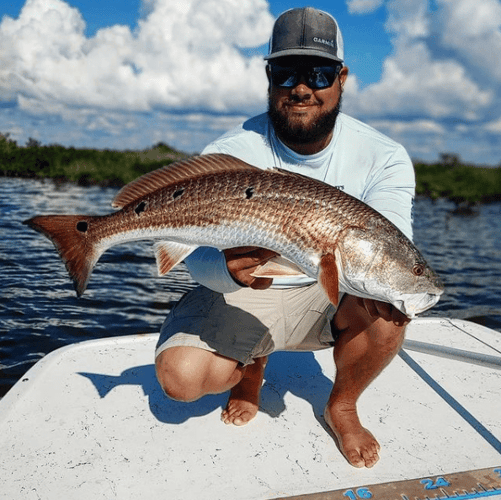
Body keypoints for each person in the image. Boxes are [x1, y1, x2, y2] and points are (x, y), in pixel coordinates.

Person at [155, 7, 415, 469]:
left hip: (335, 291)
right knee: (182, 379)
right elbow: (194, 258)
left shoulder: (386, 157)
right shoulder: (232, 152)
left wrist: (398, 284)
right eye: (285, 72)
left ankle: (343, 405)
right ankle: (252, 366)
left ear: (342, 77)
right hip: (252, 292)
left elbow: (394, 243)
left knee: (393, 303)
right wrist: (228, 269)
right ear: (268, 77)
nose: (301, 88)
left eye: (317, 73)